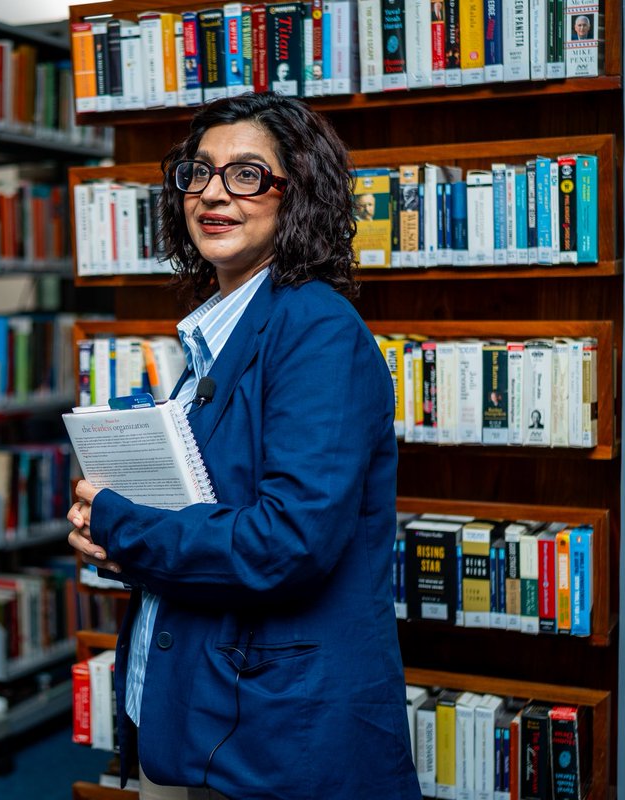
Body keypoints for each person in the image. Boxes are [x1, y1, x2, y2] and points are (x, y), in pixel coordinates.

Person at [66, 93, 420, 800]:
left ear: (299, 195)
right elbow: (209, 507)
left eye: (248, 174)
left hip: (279, 737)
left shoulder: (316, 330)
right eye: (198, 173)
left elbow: (286, 542)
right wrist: (114, 539)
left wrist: (119, 523)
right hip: (204, 713)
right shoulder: (220, 332)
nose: (214, 195)